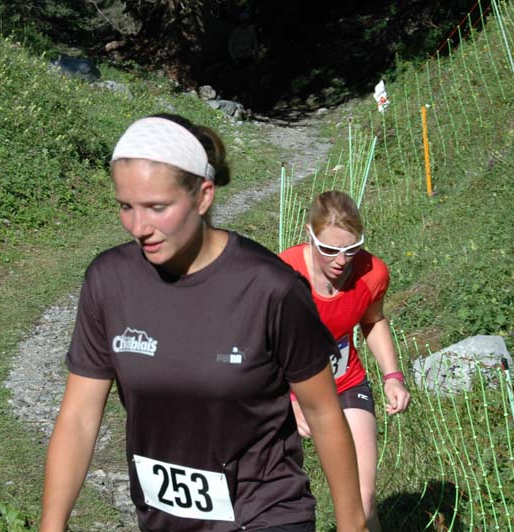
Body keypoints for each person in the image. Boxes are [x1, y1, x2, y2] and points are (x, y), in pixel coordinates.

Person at [40, 115, 368, 532]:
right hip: (164, 520)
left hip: (263, 514)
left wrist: (353, 524)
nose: (139, 228)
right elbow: (79, 416)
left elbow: (323, 412)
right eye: (126, 207)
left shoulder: (271, 288)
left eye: (157, 208)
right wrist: (51, 525)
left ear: (203, 196)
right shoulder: (109, 281)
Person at [278, 191, 411, 532]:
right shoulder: (283, 274)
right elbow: (263, 345)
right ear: (309, 234)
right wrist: (290, 400)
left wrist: (392, 376)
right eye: (329, 249)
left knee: (361, 500)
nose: (341, 260)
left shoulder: (372, 273)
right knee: (277, 506)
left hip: (345, 383)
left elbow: (373, 320)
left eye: (351, 249)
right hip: (288, 391)